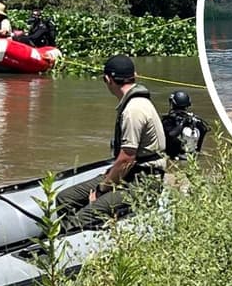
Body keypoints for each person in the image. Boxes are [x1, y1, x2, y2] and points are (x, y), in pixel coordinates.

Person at [55, 55, 167, 229]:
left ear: (107, 80)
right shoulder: (134, 103)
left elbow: (126, 159)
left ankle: (72, 234)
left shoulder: (134, 110)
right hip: (130, 174)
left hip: (142, 181)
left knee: (85, 215)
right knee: (64, 198)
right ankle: (65, 234)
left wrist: (102, 190)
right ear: (134, 75)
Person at [161, 90, 209, 160]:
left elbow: (170, 135)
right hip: (191, 155)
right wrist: (198, 149)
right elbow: (204, 129)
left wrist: (182, 125)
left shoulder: (169, 120)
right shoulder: (194, 119)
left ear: (173, 104)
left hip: (173, 156)